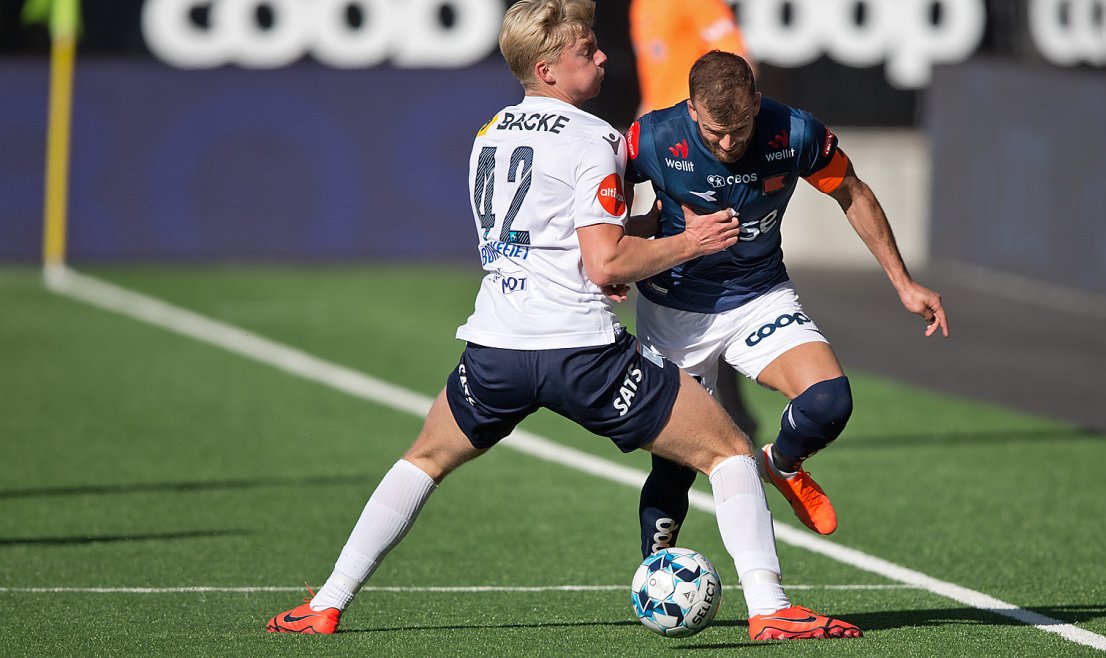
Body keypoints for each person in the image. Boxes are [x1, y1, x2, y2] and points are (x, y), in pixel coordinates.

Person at [264, 0, 861, 642]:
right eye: (587, 52)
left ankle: (326, 602)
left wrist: (642, 235)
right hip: (581, 354)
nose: (603, 57)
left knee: (423, 459)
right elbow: (605, 265)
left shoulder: (489, 133)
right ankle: (771, 610)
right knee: (732, 453)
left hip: (496, 347)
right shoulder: (595, 138)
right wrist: (688, 242)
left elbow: (555, 241)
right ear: (549, 70)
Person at [625, 51, 949, 558]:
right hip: (673, 313)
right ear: (691, 110)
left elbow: (852, 192)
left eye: (739, 128)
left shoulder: (794, 133)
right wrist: (633, 250)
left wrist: (903, 283)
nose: (728, 144)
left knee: (829, 402)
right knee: (675, 465)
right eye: (715, 133)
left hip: (759, 295)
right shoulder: (651, 138)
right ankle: (657, 571)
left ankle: (783, 463)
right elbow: (607, 220)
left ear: (756, 102)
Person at [629, 0, 762, 440]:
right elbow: (657, 82)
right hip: (665, 151)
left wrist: (723, 144)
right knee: (676, 272)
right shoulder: (641, 6)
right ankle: (717, 407)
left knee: (704, 271)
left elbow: (738, 66)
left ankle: (717, 410)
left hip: (700, 154)